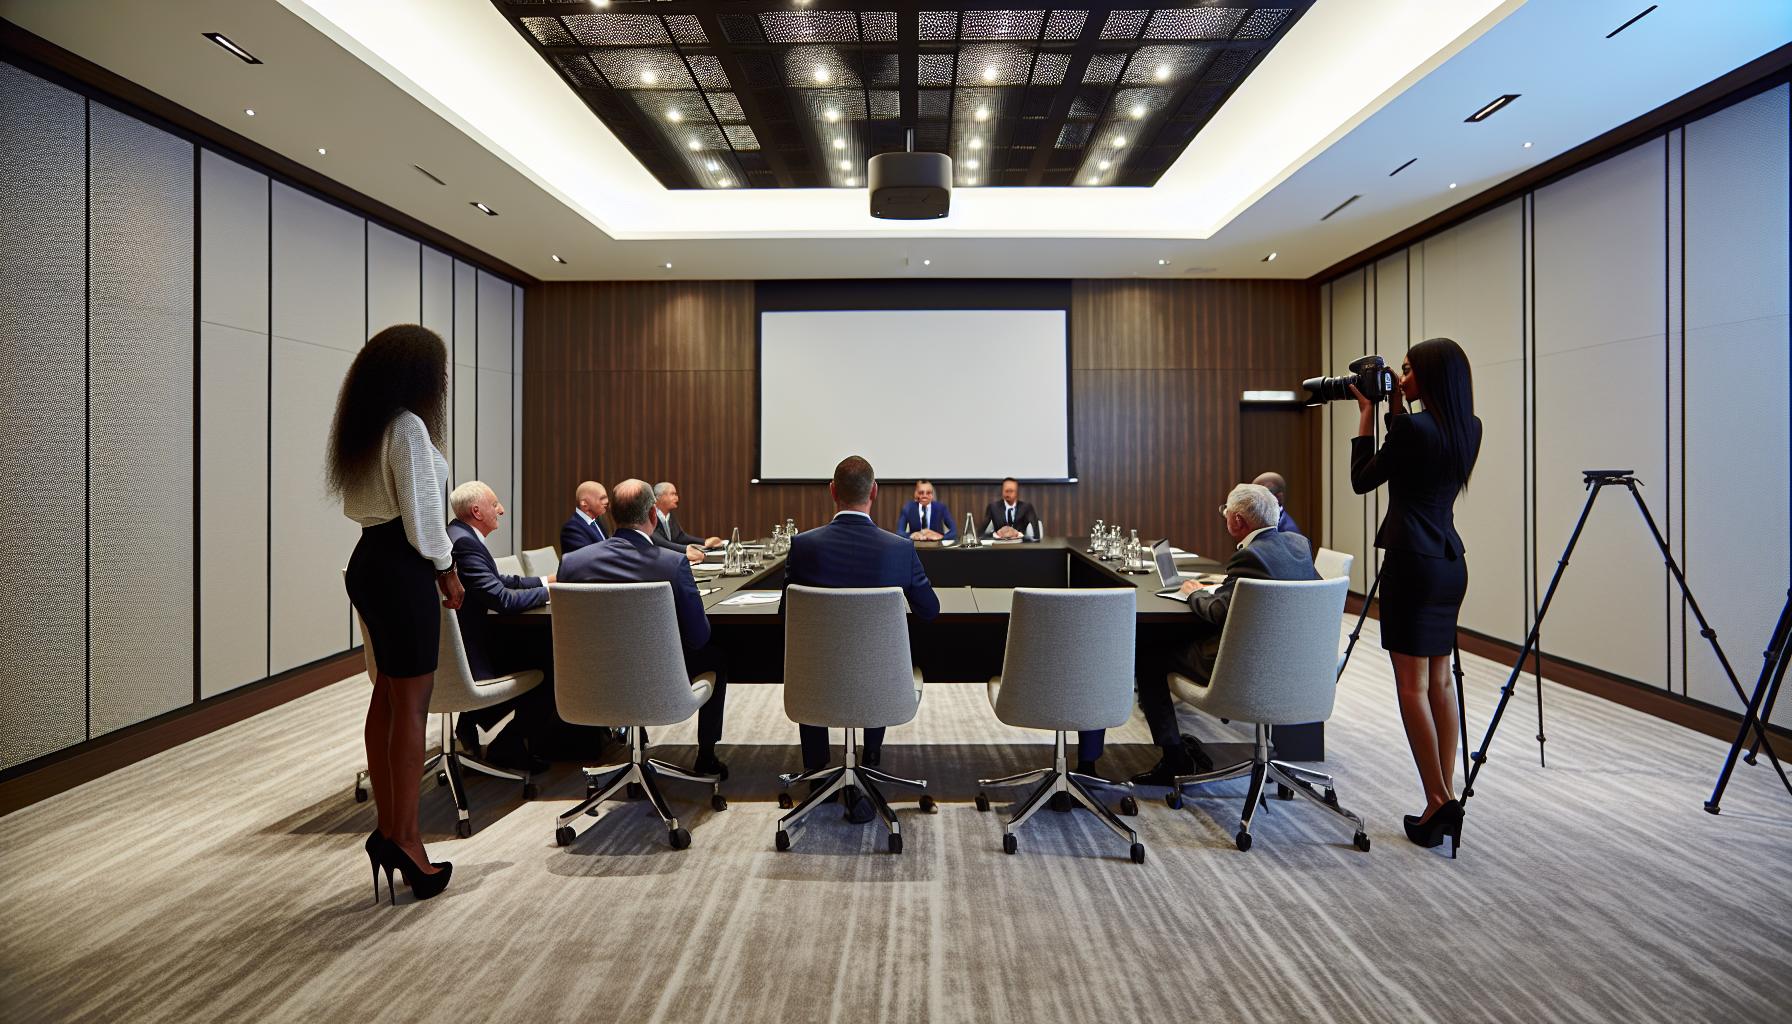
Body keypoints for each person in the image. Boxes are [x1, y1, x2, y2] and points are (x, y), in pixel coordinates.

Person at [331, 324, 458, 904]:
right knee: (412, 704)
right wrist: (446, 568)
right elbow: (424, 513)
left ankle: (388, 831)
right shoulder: (407, 426)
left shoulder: (364, 426)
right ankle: (408, 840)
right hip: (404, 564)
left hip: (367, 559)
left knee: (386, 695)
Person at [1350, 337, 1481, 851]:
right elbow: (1417, 448)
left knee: (1411, 687)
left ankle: (1437, 799)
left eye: (1407, 370)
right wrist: (1398, 413)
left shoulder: (1408, 428)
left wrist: (1368, 416)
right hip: (1450, 564)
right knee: (1440, 682)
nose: (1399, 378)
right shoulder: (1469, 428)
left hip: (1410, 563)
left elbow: (1364, 479)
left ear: (1428, 376)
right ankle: (1443, 796)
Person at [1127, 484, 1321, 787]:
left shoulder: (1250, 557)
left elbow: (1219, 612)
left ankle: (1174, 758)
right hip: (1298, 664)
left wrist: (1194, 593)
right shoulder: (1299, 545)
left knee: (1148, 653)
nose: (1225, 517)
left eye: (1226, 513)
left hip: (1244, 667)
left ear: (1238, 521)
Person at [784, 455, 940, 823]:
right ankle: (870, 759)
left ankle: (816, 771)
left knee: (816, 659)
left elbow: (786, 614)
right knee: (876, 661)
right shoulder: (898, 549)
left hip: (816, 687)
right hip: (880, 687)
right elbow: (930, 610)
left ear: (832, 491)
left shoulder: (804, 546)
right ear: (875, 492)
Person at [559, 479, 730, 779]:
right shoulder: (672, 564)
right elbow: (698, 637)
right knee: (715, 657)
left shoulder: (572, 564)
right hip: (659, 681)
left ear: (613, 516)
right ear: (653, 515)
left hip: (591, 682)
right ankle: (706, 755)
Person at [447, 481, 553, 771]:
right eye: (495, 505)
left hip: (465, 645)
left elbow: (501, 581)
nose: (502, 510)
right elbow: (503, 599)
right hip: (470, 655)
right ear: (477, 511)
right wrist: (551, 593)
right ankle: (507, 745)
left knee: (542, 649)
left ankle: (471, 724)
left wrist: (546, 581)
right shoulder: (464, 544)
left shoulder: (460, 535)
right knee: (551, 661)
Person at [650, 481, 717, 564]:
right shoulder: (651, 517)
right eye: (672, 494)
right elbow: (660, 542)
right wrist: (686, 549)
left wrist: (704, 542)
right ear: (659, 497)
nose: (677, 498)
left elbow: (680, 537)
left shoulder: (669, 515)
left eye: (676, 494)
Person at [560, 481, 610, 555]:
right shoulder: (572, 529)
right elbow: (587, 559)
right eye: (601, 498)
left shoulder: (597, 521)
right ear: (584, 503)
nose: (606, 501)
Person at [1252, 471, 1302, 535]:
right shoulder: (1263, 522)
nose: (1254, 502)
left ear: (1278, 498)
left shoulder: (1288, 531)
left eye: (1261, 496)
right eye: (1254, 496)